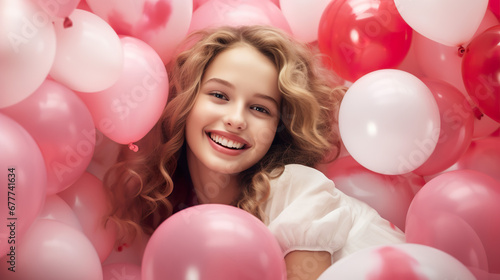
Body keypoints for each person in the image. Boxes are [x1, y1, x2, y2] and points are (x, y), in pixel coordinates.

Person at [104, 25, 405, 279]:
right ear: (186, 102)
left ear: (278, 128)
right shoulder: (193, 216)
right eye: (219, 95)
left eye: (260, 108)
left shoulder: (290, 188)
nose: (236, 119)